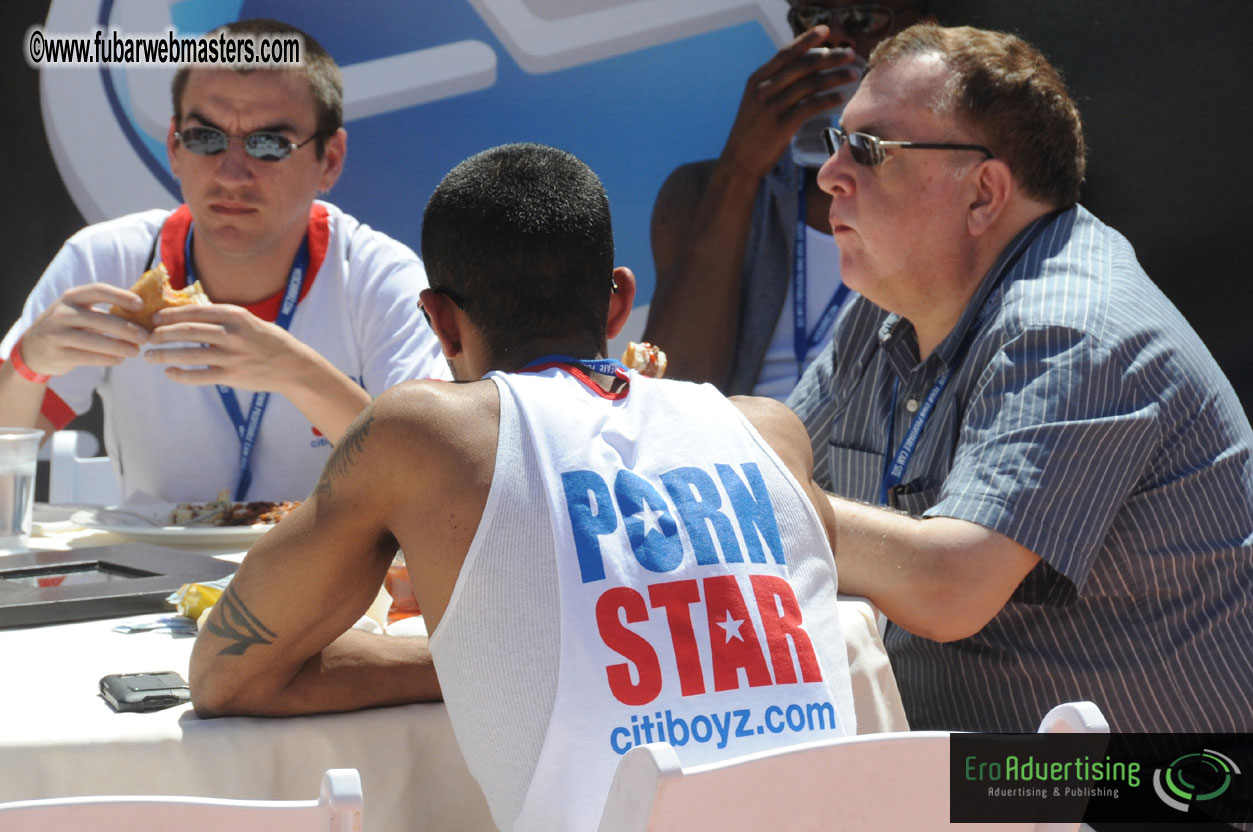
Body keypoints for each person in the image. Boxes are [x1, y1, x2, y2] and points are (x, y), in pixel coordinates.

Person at [190, 143, 858, 831]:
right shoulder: (771, 434)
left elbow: (227, 677)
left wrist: (483, 657)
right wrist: (501, 655)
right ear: (618, 303)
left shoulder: (423, 433)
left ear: (439, 320)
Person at [787, 23, 1253, 733]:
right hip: (995, 776)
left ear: (983, 193)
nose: (829, 174)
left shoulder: (1074, 324)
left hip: (1147, 793)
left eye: (869, 150)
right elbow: (777, 443)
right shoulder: (887, 305)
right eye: (835, 143)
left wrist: (748, 503)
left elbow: (950, 587)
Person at [0, 19, 446, 502]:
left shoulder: (377, 277)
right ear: (174, 147)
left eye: (269, 144)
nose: (232, 174)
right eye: (205, 139)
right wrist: (28, 364)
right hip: (150, 575)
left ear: (330, 159)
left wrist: (296, 372)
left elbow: (435, 479)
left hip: (336, 578)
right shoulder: (107, 262)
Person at [646, 1, 929, 398]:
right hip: (744, 455)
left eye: (863, 18)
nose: (835, 37)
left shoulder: (953, 194)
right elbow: (671, 394)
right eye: (812, 19)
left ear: (923, 25)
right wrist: (739, 172)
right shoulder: (697, 194)